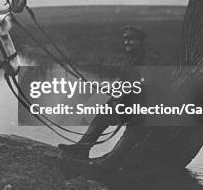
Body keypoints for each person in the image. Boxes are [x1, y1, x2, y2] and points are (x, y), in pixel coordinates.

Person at [58, 26, 147, 158]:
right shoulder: (131, 60)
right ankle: (83, 147)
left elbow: (147, 85)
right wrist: (110, 90)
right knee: (104, 112)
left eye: (131, 39)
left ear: (140, 41)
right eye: (125, 39)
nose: (127, 42)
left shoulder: (148, 60)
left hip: (145, 109)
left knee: (107, 112)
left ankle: (84, 148)